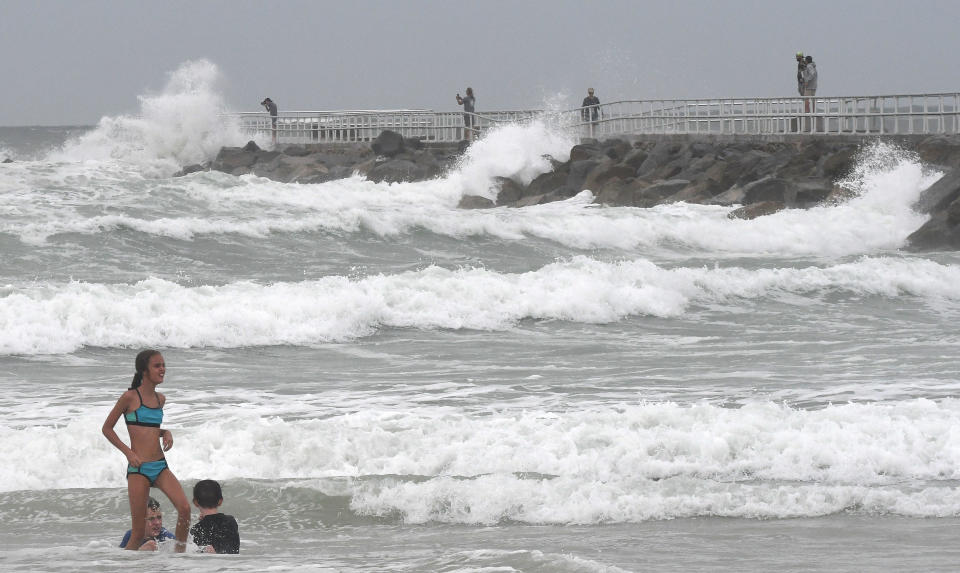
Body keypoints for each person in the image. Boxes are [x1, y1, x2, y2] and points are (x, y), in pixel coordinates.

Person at [102, 349, 190, 552]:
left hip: (159, 465)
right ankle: (124, 566)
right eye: (157, 366)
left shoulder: (161, 399)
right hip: (139, 468)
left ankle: (179, 558)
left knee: (184, 509)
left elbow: (148, 429)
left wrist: (165, 432)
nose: (162, 369)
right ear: (144, 370)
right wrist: (128, 453)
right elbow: (107, 429)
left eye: (163, 365)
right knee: (138, 533)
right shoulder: (129, 397)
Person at [190, 479, 240, 554]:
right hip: (232, 564)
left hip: (212, 564)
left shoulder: (196, 530)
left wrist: (201, 523)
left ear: (195, 502)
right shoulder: (231, 521)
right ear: (220, 501)